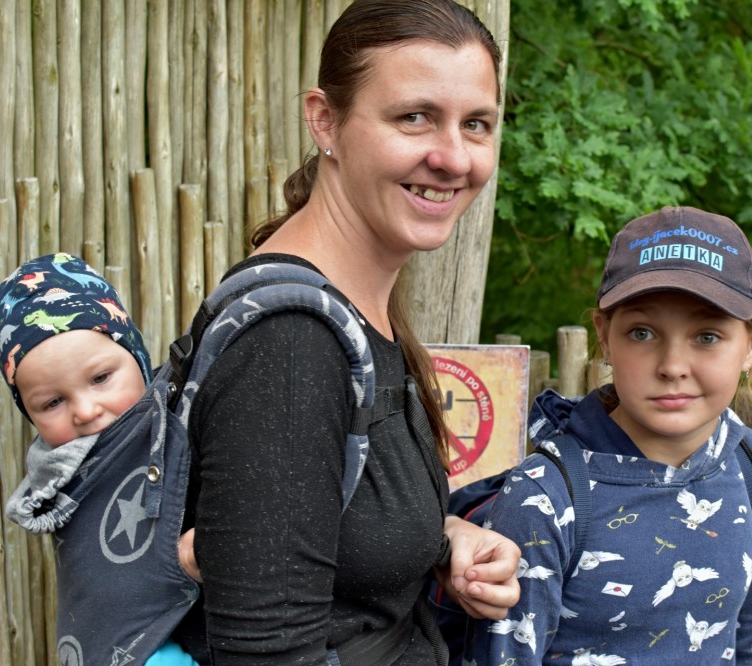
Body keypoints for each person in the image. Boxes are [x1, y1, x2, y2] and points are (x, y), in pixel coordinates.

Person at [173, 0, 520, 663]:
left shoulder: (360, 313)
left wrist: (443, 538)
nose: (453, 157)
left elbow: (323, 527)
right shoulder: (289, 346)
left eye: (476, 124)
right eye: (414, 117)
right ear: (324, 119)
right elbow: (267, 654)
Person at [466, 206, 752, 665]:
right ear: (605, 337)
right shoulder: (544, 497)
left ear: (751, 345)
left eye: (707, 336)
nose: (673, 366)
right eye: (642, 333)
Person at [0, 252, 199, 666]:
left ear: (137, 358)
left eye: (101, 378)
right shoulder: (61, 476)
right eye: (52, 402)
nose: (85, 411)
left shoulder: (181, 416)